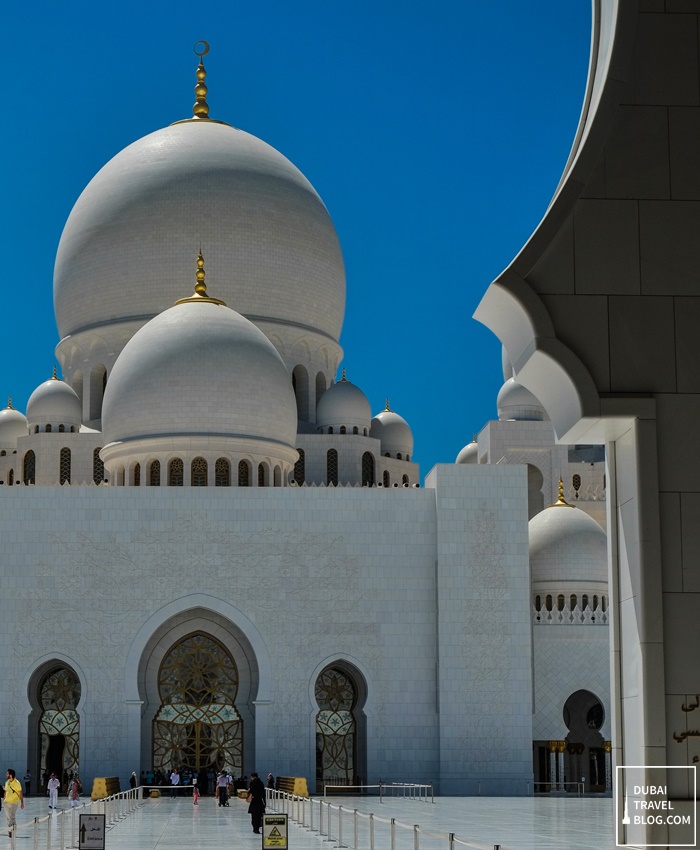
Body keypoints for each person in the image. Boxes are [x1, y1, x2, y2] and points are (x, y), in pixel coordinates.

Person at [4, 769, 24, 839]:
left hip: (14, 803)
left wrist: (22, 802)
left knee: (12, 817)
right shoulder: (7, 782)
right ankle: (10, 830)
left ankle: (13, 830)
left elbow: (20, 793)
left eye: (7, 774)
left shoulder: (17, 783)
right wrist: (4, 800)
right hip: (6, 803)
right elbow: (5, 792)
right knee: (8, 818)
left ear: (11, 775)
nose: (6, 775)